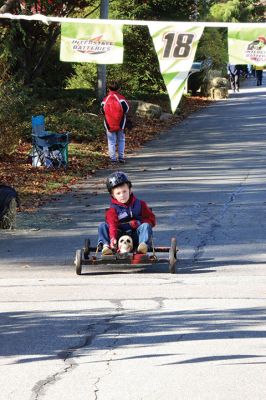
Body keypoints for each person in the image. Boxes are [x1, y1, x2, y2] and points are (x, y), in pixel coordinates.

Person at [98, 171, 156, 255]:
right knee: (102, 226)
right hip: (119, 237)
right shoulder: (112, 210)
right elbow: (112, 225)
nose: (122, 195)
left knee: (146, 226)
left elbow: (151, 220)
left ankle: (143, 246)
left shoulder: (140, 204)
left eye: (124, 191)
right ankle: (106, 247)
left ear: (130, 190)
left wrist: (139, 223)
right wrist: (113, 238)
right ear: (113, 195)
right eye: (118, 193)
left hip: (136, 236)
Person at [101, 81, 129, 164]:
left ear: (108, 89)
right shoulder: (121, 98)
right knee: (121, 140)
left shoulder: (105, 99)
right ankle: (121, 157)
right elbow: (126, 109)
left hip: (108, 123)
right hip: (121, 122)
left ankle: (112, 158)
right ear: (119, 88)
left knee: (111, 141)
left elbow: (102, 111)